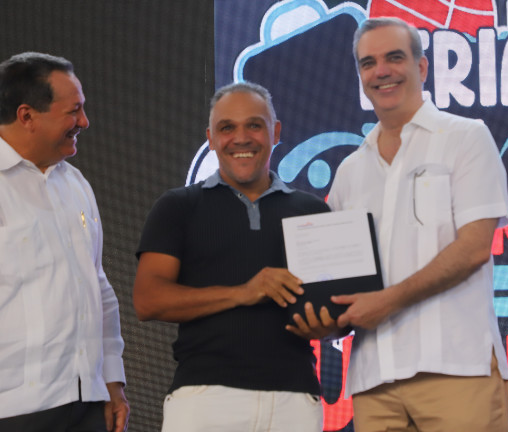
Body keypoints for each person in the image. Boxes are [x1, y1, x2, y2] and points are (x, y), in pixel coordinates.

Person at [324, 17, 508, 432]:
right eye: (368, 63)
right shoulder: (349, 172)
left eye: (394, 58)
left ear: (422, 67)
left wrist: (387, 301)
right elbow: (335, 278)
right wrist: (319, 318)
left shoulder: (466, 138)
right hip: (374, 379)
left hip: (456, 369)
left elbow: (474, 248)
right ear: (360, 75)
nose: (381, 71)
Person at [133, 82, 335, 432]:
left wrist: (329, 326)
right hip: (204, 399)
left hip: (295, 400)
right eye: (227, 128)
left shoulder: (313, 210)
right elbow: (148, 300)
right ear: (210, 138)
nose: (241, 138)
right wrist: (244, 292)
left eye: (254, 125)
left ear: (275, 132)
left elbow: (338, 310)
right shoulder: (178, 206)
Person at [0, 52, 129, 432]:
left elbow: (98, 287)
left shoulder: (75, 183)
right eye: (74, 111)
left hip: (87, 402)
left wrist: (112, 380)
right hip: (15, 408)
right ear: (27, 116)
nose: (84, 121)